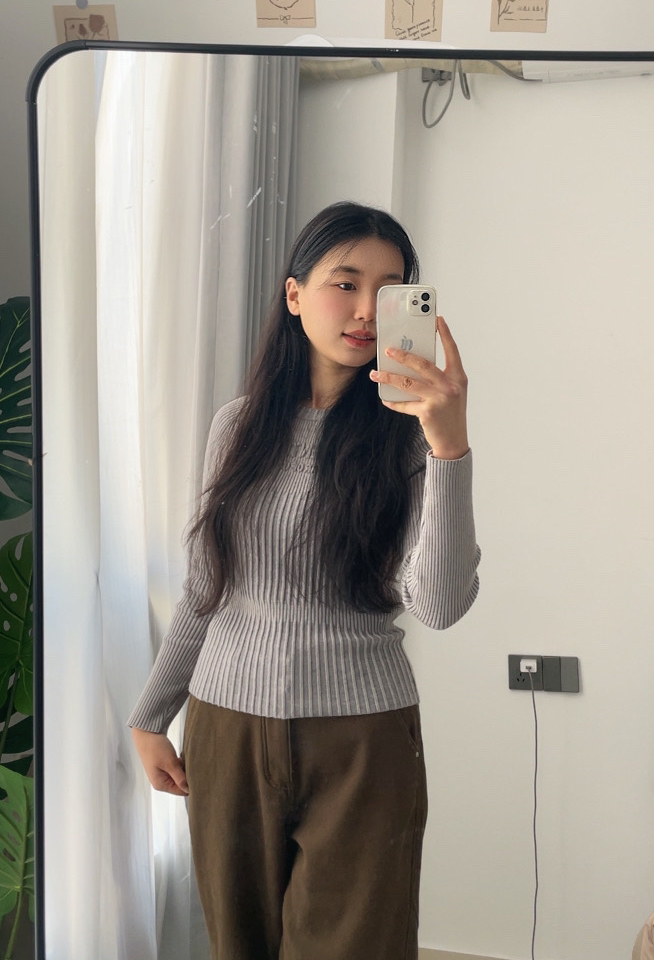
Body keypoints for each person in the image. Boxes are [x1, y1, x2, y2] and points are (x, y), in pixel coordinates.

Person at [129, 200, 481, 960]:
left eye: (388, 290)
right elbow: (206, 587)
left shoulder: (414, 439)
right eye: (344, 283)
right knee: (239, 943)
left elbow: (441, 605)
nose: (366, 310)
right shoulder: (238, 425)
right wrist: (150, 715)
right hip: (226, 724)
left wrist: (449, 449)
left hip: (362, 739)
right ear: (295, 295)